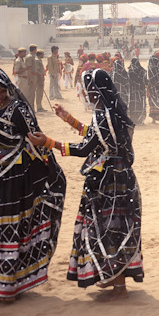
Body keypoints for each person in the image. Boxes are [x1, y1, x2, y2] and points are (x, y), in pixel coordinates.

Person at [29, 69, 144, 300]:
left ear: (94, 93)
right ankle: (113, 277)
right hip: (121, 178)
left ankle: (119, 286)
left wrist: (48, 142)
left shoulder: (104, 116)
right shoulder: (113, 112)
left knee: (109, 229)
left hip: (108, 183)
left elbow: (84, 148)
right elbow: (96, 136)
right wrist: (68, 118)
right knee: (116, 227)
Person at [0, 69, 66, 301]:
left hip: (16, 178)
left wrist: (50, 167)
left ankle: (9, 288)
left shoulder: (18, 109)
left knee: (12, 227)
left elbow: (35, 138)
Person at [147, 50, 159, 123]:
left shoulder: (151, 67)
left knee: (153, 101)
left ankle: (153, 120)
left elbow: (149, 77)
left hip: (153, 86)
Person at [128, 58, 147, 125]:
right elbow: (145, 82)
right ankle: (140, 119)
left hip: (133, 92)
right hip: (141, 91)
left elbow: (128, 81)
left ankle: (134, 120)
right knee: (141, 104)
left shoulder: (130, 71)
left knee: (133, 105)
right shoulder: (143, 71)